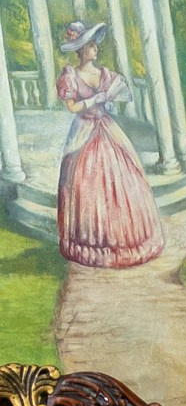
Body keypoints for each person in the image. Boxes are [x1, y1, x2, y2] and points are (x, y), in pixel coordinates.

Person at [54, 20, 163, 269]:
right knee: (84, 182)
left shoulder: (104, 75)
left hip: (106, 128)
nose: (96, 49)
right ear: (81, 51)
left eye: (94, 45)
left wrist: (107, 101)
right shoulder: (71, 76)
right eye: (91, 45)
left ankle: (124, 240)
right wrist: (95, 100)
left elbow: (117, 96)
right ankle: (92, 243)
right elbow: (72, 107)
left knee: (124, 178)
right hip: (84, 131)